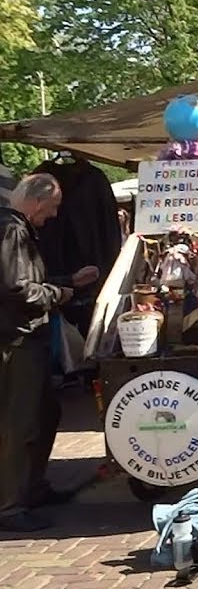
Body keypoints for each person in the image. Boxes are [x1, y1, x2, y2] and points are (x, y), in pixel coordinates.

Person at [0, 173, 98, 532]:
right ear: (38, 202)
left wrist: (67, 282)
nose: (54, 215)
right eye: (53, 207)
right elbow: (16, 289)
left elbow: (24, 282)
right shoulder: (12, 231)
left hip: (26, 337)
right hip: (16, 340)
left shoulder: (16, 230)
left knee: (44, 414)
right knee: (19, 422)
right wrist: (58, 295)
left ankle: (32, 487)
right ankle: (9, 505)